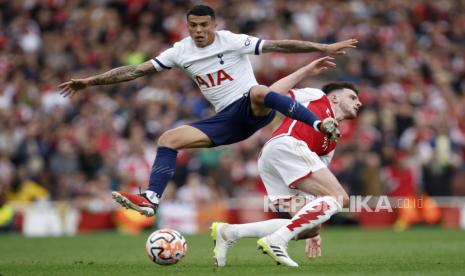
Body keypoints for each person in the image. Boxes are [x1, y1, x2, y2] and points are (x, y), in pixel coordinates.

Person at [58, 4, 357, 217]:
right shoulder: (180, 51)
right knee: (168, 139)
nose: (199, 31)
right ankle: (150, 199)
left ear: (214, 24)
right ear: (187, 27)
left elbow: (279, 45)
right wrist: (89, 82)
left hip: (254, 107)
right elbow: (136, 70)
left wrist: (322, 46)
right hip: (227, 121)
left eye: (204, 25)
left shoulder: (232, 41)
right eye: (193, 26)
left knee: (259, 91)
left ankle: (319, 124)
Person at [211, 59, 362, 267]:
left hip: (272, 159)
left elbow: (317, 184)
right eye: (353, 97)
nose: (358, 102)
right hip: (287, 145)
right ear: (334, 98)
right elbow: (273, 93)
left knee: (309, 227)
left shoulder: (332, 139)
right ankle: (277, 240)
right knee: (340, 198)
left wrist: (312, 224)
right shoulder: (318, 97)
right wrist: (306, 70)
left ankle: (229, 232)